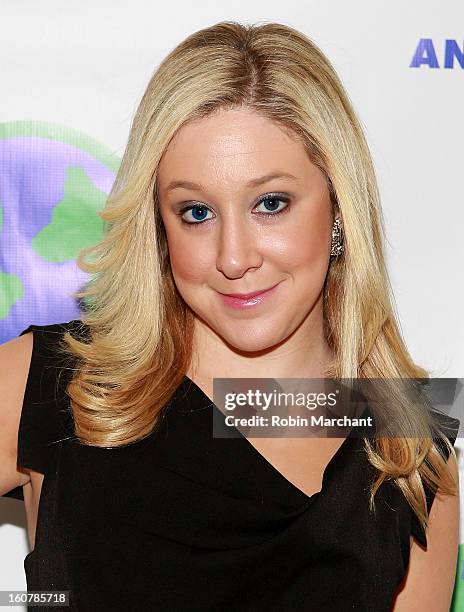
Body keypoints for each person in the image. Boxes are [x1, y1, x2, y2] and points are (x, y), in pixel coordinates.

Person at [0, 20, 460, 612]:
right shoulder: (64, 383)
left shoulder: (407, 450)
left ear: (340, 207)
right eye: (196, 212)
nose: (234, 257)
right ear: (158, 227)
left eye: (271, 204)